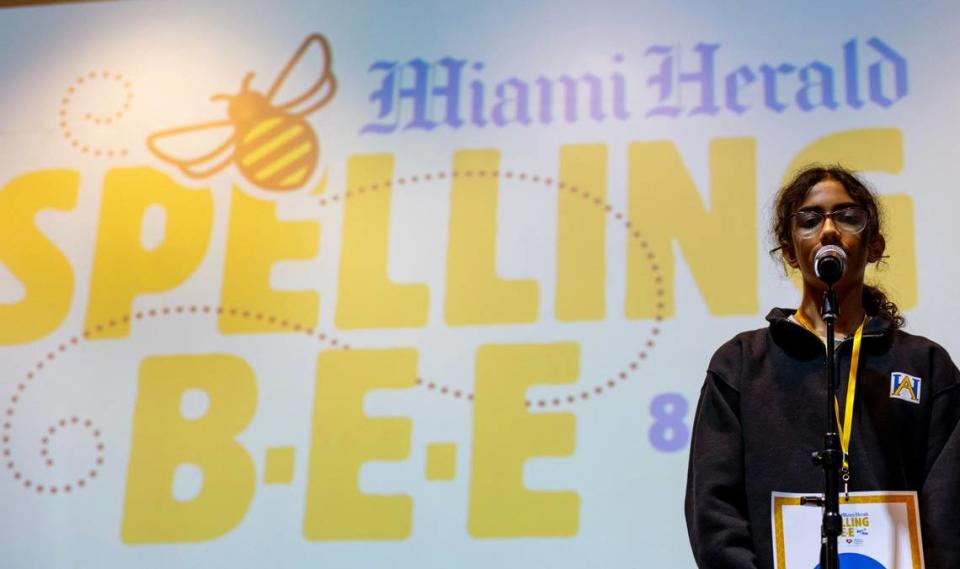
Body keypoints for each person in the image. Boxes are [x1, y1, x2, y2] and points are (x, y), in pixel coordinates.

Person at [684, 165, 960, 568]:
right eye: (809, 220)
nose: (829, 231)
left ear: (875, 245)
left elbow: (950, 510)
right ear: (791, 252)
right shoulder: (741, 364)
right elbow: (713, 510)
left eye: (847, 217)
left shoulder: (925, 364)